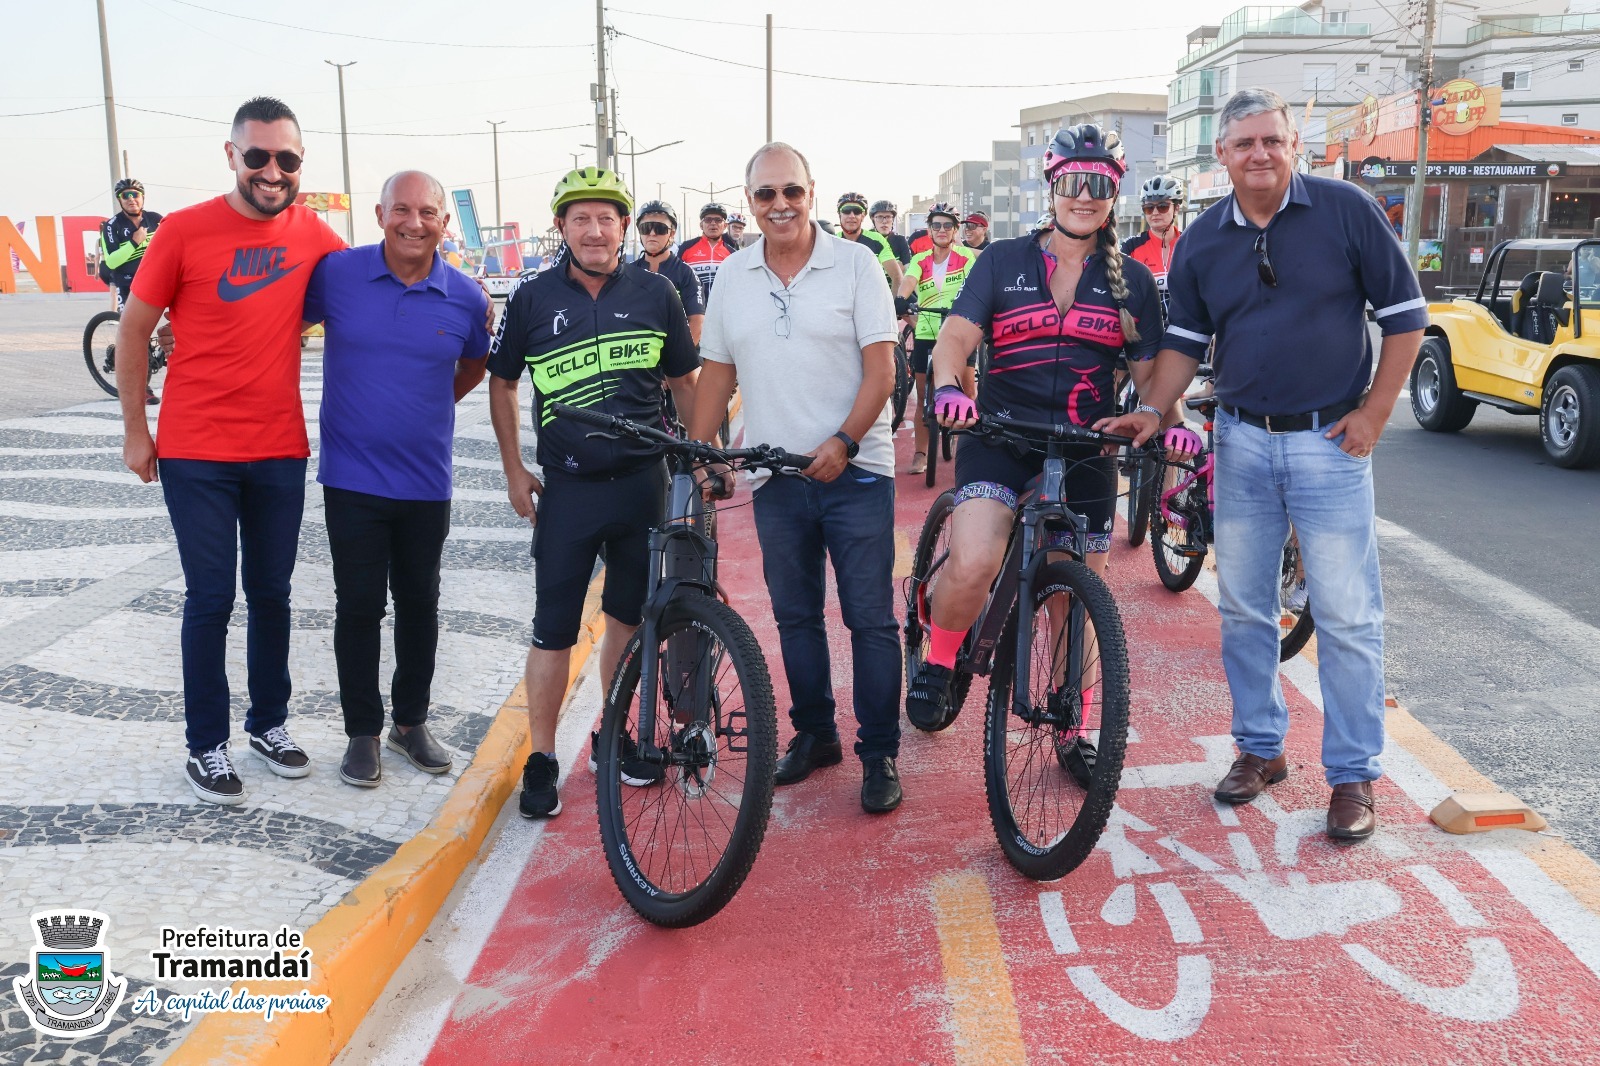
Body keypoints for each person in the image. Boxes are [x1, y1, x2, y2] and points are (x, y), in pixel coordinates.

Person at [1099, 87, 1427, 842]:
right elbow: (1183, 341)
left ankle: (1351, 776)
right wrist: (1154, 411)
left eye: (1271, 141)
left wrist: (1375, 414)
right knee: (1244, 608)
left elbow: (1407, 320)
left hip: (1329, 442)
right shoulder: (1204, 240)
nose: (1259, 154)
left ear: (1292, 145)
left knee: (1346, 616)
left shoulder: (1345, 210)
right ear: (1221, 154)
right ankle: (1259, 748)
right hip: (1241, 440)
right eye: (1244, 143)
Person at [904, 124, 1167, 787]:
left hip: (1086, 450)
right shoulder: (1001, 261)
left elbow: (1155, 374)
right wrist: (945, 388)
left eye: (1100, 185)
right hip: (1000, 437)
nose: (1086, 196)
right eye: (1074, 183)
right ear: (1053, 188)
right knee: (976, 561)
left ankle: (1072, 723)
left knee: (1075, 603)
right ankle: (939, 658)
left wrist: (1169, 418)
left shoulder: (1132, 280)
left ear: (1114, 193)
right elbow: (958, 336)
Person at [115, 96, 345, 805]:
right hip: (196, 451)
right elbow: (133, 331)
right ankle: (205, 745)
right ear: (232, 155)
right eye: (258, 157)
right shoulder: (181, 231)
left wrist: (458, 299)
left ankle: (268, 724)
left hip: (279, 447)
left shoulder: (317, 236)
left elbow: (374, 292)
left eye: (287, 159)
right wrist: (134, 427)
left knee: (272, 595)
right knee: (211, 597)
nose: (272, 172)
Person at [686, 143, 903, 813]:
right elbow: (718, 372)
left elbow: (883, 370)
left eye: (791, 192)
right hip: (775, 477)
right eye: (765, 194)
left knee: (869, 620)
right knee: (796, 618)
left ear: (812, 192)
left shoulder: (858, 265)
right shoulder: (734, 275)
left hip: (858, 471)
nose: (779, 205)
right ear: (748, 201)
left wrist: (843, 441)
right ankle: (815, 734)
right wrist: (703, 449)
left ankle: (879, 753)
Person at [488, 167, 701, 819]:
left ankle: (617, 733)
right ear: (562, 227)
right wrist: (514, 470)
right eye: (580, 217)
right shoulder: (530, 298)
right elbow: (502, 384)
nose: (595, 228)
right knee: (552, 630)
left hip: (644, 484)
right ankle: (544, 758)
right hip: (570, 490)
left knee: (628, 621)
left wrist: (697, 459)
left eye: (606, 217)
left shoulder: (657, 291)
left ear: (623, 227)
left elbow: (686, 381)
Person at [301, 170, 491, 789]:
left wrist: (423, 404)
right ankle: (362, 731)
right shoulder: (338, 274)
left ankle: (410, 723)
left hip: (426, 481)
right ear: (380, 214)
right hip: (351, 478)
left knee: (420, 605)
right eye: (402, 210)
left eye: (428, 212)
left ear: (443, 221)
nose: (414, 222)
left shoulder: (465, 296)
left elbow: (472, 368)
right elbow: (273, 325)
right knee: (358, 606)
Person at [894, 201, 979, 475]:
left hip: (959, 332)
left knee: (967, 390)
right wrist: (901, 299)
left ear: (954, 230)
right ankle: (920, 452)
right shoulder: (920, 260)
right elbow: (908, 282)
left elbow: (975, 289)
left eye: (947, 225)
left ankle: (969, 447)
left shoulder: (967, 257)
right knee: (922, 397)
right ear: (929, 230)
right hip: (926, 331)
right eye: (936, 225)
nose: (941, 230)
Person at [99, 178, 164, 405]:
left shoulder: (156, 220)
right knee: (137, 333)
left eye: (135, 194)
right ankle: (141, 386)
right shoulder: (111, 226)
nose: (131, 199)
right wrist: (135, 243)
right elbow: (112, 260)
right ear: (120, 200)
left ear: (142, 197)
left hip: (158, 279)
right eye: (125, 196)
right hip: (129, 284)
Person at [627, 199, 705, 345]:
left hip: (675, 357)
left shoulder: (686, 273)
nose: (652, 233)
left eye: (660, 228)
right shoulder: (628, 272)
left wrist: (680, 360)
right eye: (646, 228)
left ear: (672, 233)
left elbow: (697, 322)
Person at [1122, 175, 1185, 322]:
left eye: (1162, 206)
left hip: (1183, 327)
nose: (1155, 213)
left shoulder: (1189, 243)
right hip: (1146, 327)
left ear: (1176, 208)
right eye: (1149, 208)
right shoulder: (1131, 247)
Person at [835, 192, 904, 290]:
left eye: (857, 211)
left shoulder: (876, 239)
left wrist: (892, 304)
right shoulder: (832, 242)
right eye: (846, 211)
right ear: (839, 214)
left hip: (872, 300)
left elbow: (896, 276)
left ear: (863, 215)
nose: (852, 215)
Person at [678, 201, 739, 303]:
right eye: (708, 220)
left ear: (725, 226)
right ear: (701, 225)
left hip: (721, 310)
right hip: (692, 311)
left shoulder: (732, 253)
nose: (713, 223)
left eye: (718, 220)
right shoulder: (686, 248)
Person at [870, 199, 913, 266]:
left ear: (893, 219)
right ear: (873, 219)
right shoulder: (866, 239)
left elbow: (907, 268)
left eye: (888, 217)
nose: (884, 221)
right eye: (879, 217)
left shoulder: (900, 240)